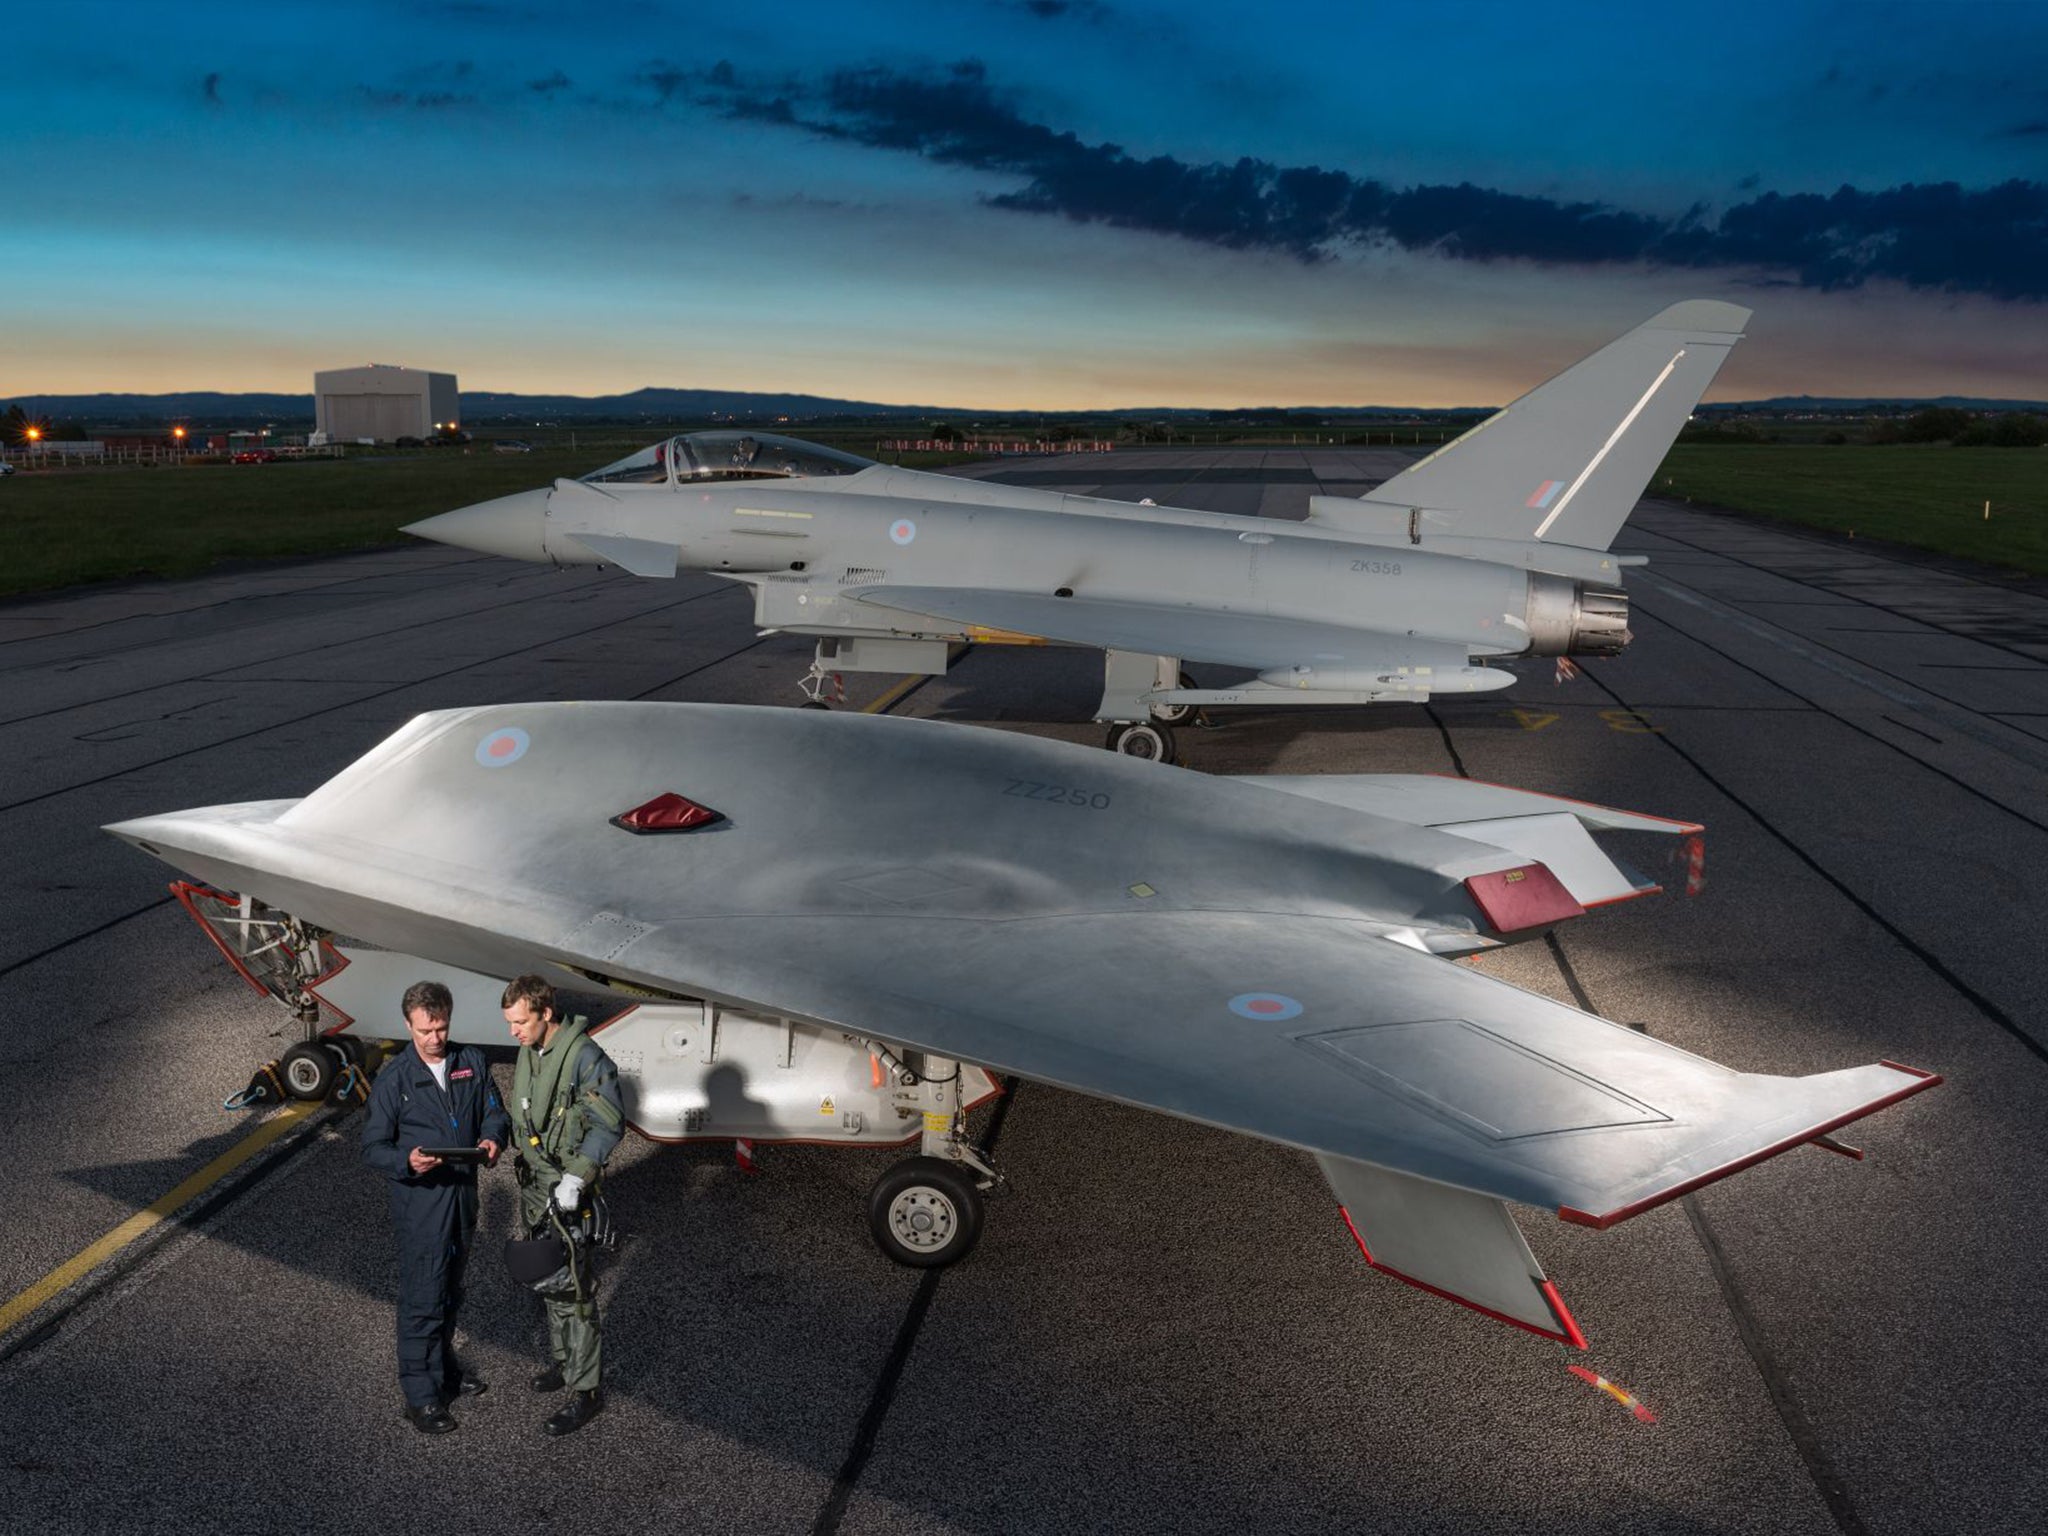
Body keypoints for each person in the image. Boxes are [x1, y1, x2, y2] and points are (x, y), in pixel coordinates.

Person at [361, 980, 510, 1434]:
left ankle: (443, 1371)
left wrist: (492, 1138)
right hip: (421, 1203)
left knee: (451, 1291)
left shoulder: (471, 1062)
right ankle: (420, 1396)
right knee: (423, 1298)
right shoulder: (394, 1078)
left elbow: (495, 1112)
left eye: (441, 1028)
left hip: (462, 1196)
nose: (435, 1038)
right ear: (408, 1026)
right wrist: (407, 1160)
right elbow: (372, 1147)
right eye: (425, 1030)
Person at [502, 973, 625, 1436]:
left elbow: (609, 1124)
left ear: (545, 1013)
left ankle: (586, 1389)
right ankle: (563, 1361)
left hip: (566, 1191)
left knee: (575, 1291)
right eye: (510, 1022)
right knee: (548, 1281)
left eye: (520, 1021)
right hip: (536, 1188)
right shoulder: (530, 1048)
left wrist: (577, 1178)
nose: (513, 1031)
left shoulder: (585, 1058)